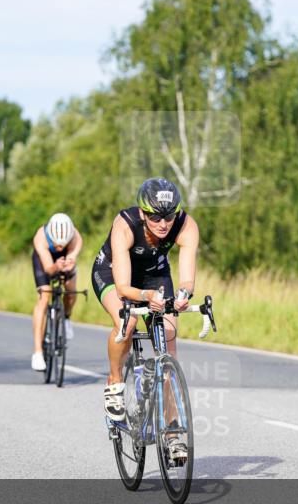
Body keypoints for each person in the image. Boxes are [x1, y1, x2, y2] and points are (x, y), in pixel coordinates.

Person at [90, 178, 199, 458]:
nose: (163, 224)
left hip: (155, 275)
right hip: (113, 274)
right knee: (127, 322)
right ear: (142, 212)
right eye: (155, 217)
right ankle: (115, 382)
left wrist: (184, 294)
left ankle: (173, 433)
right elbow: (124, 288)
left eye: (169, 217)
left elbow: (187, 278)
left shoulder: (186, 225)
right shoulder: (126, 225)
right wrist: (145, 297)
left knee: (169, 348)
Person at [31, 213, 83, 371]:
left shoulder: (75, 237)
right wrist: (56, 267)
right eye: (57, 245)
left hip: (65, 259)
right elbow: (48, 269)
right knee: (44, 295)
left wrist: (69, 264)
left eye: (63, 245)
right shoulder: (40, 238)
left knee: (71, 291)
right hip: (44, 260)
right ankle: (38, 352)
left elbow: (72, 258)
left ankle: (66, 317)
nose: (60, 248)